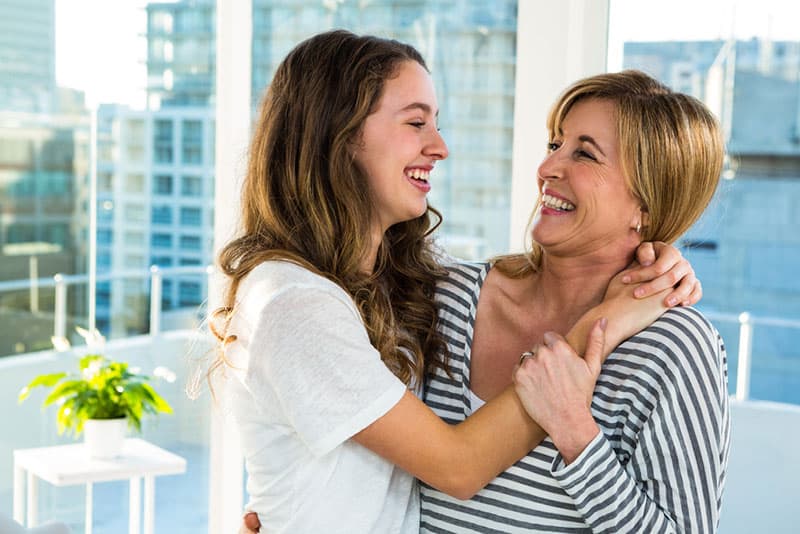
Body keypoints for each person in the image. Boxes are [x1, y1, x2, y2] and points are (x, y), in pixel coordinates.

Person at [219, 31, 700, 534]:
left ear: (647, 202)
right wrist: (600, 326)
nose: (440, 147)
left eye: (584, 153)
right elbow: (457, 466)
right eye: (415, 122)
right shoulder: (305, 304)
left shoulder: (405, 288)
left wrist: (660, 267)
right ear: (336, 136)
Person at [418, 70, 730, 533]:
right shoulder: (448, 296)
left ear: (645, 204)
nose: (547, 168)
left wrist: (575, 433)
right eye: (554, 145)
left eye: (584, 153)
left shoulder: (675, 348)